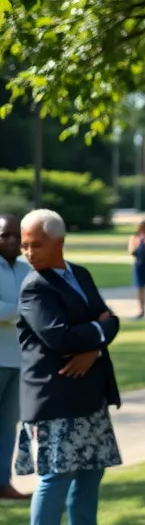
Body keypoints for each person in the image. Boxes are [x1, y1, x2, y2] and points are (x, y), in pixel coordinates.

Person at [15, 209, 132, 525]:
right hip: (55, 397)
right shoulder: (35, 286)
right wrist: (99, 332)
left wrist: (95, 347)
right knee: (54, 478)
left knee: (89, 473)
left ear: (59, 242)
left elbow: (111, 318)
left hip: (88, 394)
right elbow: (59, 338)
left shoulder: (79, 274)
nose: (27, 251)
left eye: (35, 244)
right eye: (24, 244)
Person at [0, 213, 32, 501]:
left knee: (8, 426)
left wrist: (14, 310)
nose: (10, 241)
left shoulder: (26, 269)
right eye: (4, 235)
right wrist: (22, 310)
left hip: (18, 361)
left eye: (15, 236)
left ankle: (2, 483)